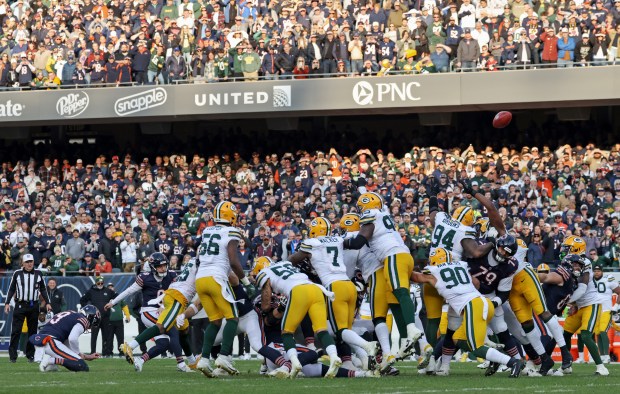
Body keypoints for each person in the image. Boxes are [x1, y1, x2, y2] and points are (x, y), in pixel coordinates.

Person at [411, 247, 524, 377]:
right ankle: (491, 356)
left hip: (473, 305)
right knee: (455, 338)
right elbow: (475, 282)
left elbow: (416, 277)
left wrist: (399, 266)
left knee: (476, 347)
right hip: (482, 302)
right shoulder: (461, 265)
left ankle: (512, 362)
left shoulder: (434, 272)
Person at [344, 192, 423, 371]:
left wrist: (341, 243)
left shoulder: (367, 220)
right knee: (397, 307)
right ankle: (413, 348)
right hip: (398, 258)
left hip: (385, 265)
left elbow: (356, 247)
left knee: (384, 311)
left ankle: (402, 341)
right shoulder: (383, 216)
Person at [288, 217, 378, 371]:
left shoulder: (312, 243)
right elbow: (353, 241)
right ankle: (362, 358)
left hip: (334, 287)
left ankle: (366, 346)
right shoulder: (337, 239)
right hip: (349, 286)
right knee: (347, 329)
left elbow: (292, 259)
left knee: (340, 331)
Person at [255, 259, 341, 378]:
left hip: (298, 290)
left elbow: (265, 306)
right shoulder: (286, 263)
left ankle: (294, 363)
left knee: (287, 332)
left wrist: (277, 306)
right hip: (316, 289)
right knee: (322, 330)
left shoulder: (264, 273)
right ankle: (334, 357)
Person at [104, 253, 190, 372]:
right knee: (172, 327)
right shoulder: (145, 277)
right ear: (153, 267)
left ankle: (141, 360)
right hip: (149, 311)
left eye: (164, 265)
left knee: (163, 343)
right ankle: (181, 364)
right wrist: (113, 302)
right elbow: (129, 291)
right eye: (160, 266)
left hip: (163, 310)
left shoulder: (171, 275)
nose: (163, 268)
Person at [194, 201, 252, 377]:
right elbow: (234, 261)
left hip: (200, 278)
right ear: (231, 215)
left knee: (215, 320)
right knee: (232, 317)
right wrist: (247, 282)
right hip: (216, 277)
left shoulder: (207, 231)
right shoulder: (230, 231)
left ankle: (204, 359)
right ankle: (224, 356)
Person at [5, 253, 52, 363]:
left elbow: (43, 289)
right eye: (27, 262)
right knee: (16, 331)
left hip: (33, 305)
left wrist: (48, 302)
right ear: (23, 263)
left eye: (31, 261)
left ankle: (30, 355)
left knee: (32, 332)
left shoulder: (38, 273)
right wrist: (7, 302)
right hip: (20, 304)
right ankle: (12, 356)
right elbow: (11, 289)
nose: (29, 264)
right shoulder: (17, 273)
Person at [31, 305, 101, 372]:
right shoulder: (83, 319)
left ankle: (51, 364)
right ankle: (50, 360)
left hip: (41, 340)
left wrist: (86, 356)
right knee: (82, 366)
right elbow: (72, 339)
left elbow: (66, 346)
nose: (90, 326)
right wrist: (78, 354)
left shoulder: (71, 314)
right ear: (91, 317)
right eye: (93, 323)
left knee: (70, 362)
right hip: (51, 341)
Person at [79, 275, 117, 357]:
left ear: (103, 282)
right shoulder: (91, 291)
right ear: (96, 283)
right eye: (98, 282)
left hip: (106, 317)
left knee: (106, 335)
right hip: (95, 318)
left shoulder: (108, 291)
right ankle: (93, 352)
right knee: (94, 336)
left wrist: (112, 304)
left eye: (101, 282)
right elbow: (82, 300)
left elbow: (117, 298)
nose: (100, 284)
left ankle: (105, 353)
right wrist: (88, 310)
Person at [592, 264, 620, 364]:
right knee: (598, 333)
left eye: (598, 271)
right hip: (596, 310)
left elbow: (619, 292)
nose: (596, 272)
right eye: (595, 271)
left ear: (602, 271)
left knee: (603, 331)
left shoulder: (608, 279)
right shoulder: (591, 281)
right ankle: (602, 355)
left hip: (606, 310)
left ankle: (607, 356)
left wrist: (616, 305)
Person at [105, 283, 130, 358]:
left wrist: (127, 315)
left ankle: (121, 353)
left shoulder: (119, 297)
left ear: (114, 288)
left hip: (119, 320)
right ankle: (109, 353)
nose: (110, 288)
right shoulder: (105, 297)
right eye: (109, 287)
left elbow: (124, 306)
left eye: (112, 287)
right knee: (109, 338)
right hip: (109, 320)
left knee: (120, 338)